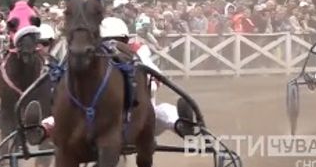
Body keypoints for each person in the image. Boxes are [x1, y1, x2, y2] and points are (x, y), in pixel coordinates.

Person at [37, 17, 196, 140]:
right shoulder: (136, 53)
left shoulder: (91, 57)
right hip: (138, 122)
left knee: (65, 117)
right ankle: (182, 125)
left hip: (94, 124)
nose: (113, 47)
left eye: (117, 42)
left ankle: (42, 129)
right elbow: (156, 77)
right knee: (165, 112)